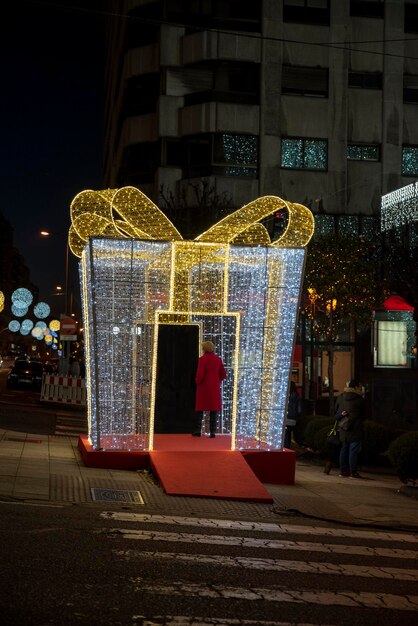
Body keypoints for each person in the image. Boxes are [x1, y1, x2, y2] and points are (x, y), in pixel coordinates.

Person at [193, 340, 227, 438]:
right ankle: (212, 432)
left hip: (203, 387)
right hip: (214, 387)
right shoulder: (218, 359)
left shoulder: (202, 359)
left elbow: (200, 374)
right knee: (213, 410)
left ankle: (197, 431)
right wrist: (217, 380)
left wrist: (197, 381)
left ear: (204, 349)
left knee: (200, 410)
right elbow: (223, 374)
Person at [335, 379, 366, 478]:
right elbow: (365, 415)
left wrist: (341, 415)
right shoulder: (360, 399)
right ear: (356, 387)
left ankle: (343, 471)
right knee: (353, 450)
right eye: (360, 386)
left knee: (344, 449)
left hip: (343, 427)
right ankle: (353, 472)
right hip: (356, 428)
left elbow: (336, 413)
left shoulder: (340, 397)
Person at [284, 381, 301, 448]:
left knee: (286, 436)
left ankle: (287, 448)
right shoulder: (297, 397)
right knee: (289, 434)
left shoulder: (285, 396)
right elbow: (299, 410)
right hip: (293, 420)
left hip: (286, 418)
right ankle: (289, 447)